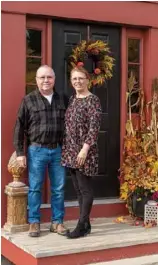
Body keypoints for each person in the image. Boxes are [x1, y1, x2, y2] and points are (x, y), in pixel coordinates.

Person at [13, 65, 67, 237]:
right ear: (36, 80)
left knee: (58, 188)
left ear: (54, 79)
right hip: (36, 150)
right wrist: (20, 153)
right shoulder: (28, 100)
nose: (46, 80)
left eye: (49, 77)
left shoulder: (63, 99)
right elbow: (19, 128)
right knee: (35, 188)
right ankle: (34, 222)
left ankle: (57, 222)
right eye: (42, 77)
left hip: (58, 150)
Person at [61, 66, 102, 239]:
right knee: (78, 189)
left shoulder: (93, 100)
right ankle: (85, 224)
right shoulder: (72, 99)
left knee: (85, 189)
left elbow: (94, 127)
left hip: (84, 151)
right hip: (70, 150)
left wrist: (84, 149)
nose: (78, 81)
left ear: (88, 80)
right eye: (74, 79)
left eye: (81, 78)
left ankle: (81, 225)